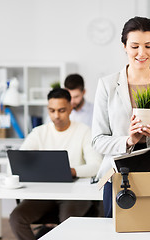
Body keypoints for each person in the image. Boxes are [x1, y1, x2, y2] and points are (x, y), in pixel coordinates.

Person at [92, 16, 150, 218]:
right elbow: (97, 141)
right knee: (116, 231)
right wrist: (128, 141)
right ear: (124, 46)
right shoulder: (107, 85)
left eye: (148, 45)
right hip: (118, 173)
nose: (142, 53)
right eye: (134, 46)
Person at [9, 88, 102, 240]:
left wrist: (71, 171)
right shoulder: (39, 132)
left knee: (67, 223)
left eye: (61, 110)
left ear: (71, 108)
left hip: (75, 194)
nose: (56, 116)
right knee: (16, 218)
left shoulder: (84, 131)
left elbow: (96, 165)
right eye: (52, 110)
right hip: (43, 193)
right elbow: (19, 159)